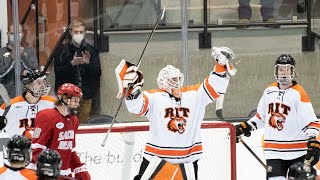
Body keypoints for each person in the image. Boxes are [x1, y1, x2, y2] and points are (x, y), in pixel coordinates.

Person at [115, 46, 237, 179]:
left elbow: (215, 87)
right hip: (156, 161)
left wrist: (220, 65)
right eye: (173, 80)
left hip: (187, 163)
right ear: (163, 82)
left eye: (179, 79)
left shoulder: (194, 95)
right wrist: (133, 89)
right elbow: (135, 107)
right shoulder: (153, 97)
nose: (178, 83)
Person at [235, 54, 320, 180]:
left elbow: (311, 123)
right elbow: (261, 118)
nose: (284, 73)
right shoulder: (269, 91)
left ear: (293, 71)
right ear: (276, 71)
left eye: (287, 69)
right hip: (273, 153)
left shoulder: (299, 93)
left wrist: (313, 141)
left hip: (298, 152)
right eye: (281, 69)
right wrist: (246, 127)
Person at [30, 83, 91, 179]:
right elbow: (36, 148)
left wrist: (79, 169)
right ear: (64, 98)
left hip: (65, 174)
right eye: (75, 100)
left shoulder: (74, 120)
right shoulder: (46, 116)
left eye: (78, 101)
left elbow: (69, 150)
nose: (77, 104)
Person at [54, 19, 101, 124]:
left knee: (83, 125)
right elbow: (58, 72)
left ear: (85, 33)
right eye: (76, 32)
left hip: (85, 96)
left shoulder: (91, 50)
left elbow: (97, 73)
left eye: (81, 32)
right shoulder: (62, 51)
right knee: (66, 123)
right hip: (66, 97)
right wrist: (72, 64)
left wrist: (88, 64)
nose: (78, 34)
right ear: (71, 32)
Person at [0, 68, 55, 139]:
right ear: (28, 85)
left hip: (45, 148)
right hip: (18, 148)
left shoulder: (52, 103)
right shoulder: (11, 106)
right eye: (38, 83)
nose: (43, 86)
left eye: (43, 81)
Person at [0, 24, 38, 104]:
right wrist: (12, 59)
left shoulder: (29, 51)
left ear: (22, 34)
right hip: (6, 99)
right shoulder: (1, 53)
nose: (15, 36)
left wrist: (22, 58)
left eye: (18, 33)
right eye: (12, 33)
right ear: (7, 34)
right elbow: (1, 75)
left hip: (27, 98)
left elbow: (35, 73)